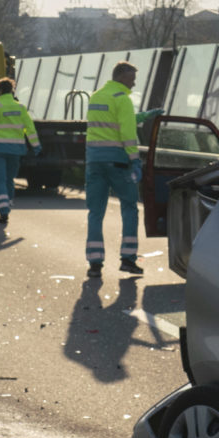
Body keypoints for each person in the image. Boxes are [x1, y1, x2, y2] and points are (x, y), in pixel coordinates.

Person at [83, 60, 145, 278]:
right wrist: (135, 160)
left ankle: (94, 263)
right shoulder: (123, 100)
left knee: (95, 212)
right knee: (129, 208)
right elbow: (127, 133)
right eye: (132, 79)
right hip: (118, 162)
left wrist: (139, 117)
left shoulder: (96, 96)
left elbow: (106, 123)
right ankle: (128, 259)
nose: (134, 84)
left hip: (94, 161)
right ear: (121, 77)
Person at [0, 77, 39, 225]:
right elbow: (30, 128)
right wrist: (36, 146)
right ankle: (7, 204)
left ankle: (3, 211)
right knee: (9, 180)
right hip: (15, 150)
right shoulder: (20, 108)